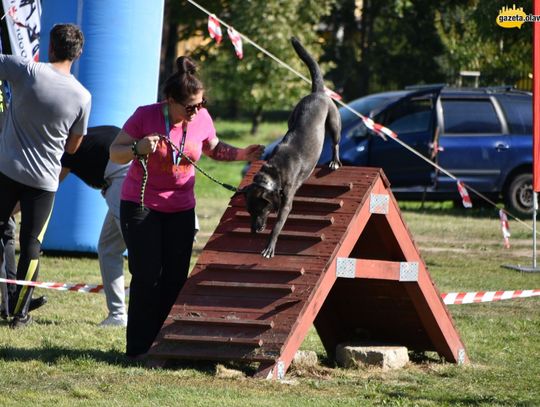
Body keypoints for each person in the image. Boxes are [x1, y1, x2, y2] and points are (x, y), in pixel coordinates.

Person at [110, 56, 264, 358]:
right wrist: (137, 149)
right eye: (190, 106)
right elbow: (115, 152)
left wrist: (242, 153)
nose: (196, 111)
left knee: (175, 278)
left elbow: (213, 147)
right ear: (170, 101)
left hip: (181, 209)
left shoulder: (202, 118)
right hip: (142, 205)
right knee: (147, 275)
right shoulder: (145, 116)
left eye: (201, 104)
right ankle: (139, 349)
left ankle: (167, 346)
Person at [0, 24, 91, 328]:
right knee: (31, 246)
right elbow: (74, 146)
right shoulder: (82, 96)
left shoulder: (26, 70)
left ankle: (4, 298)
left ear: (50, 48)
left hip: (7, 171)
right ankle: (20, 314)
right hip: (44, 182)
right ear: (78, 54)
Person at [60, 125, 129, 327]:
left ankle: (157, 310)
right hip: (129, 176)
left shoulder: (68, 149)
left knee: (141, 248)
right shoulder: (99, 131)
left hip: (123, 181)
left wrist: (10, 211)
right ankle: (117, 315)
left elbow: (48, 187)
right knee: (109, 249)